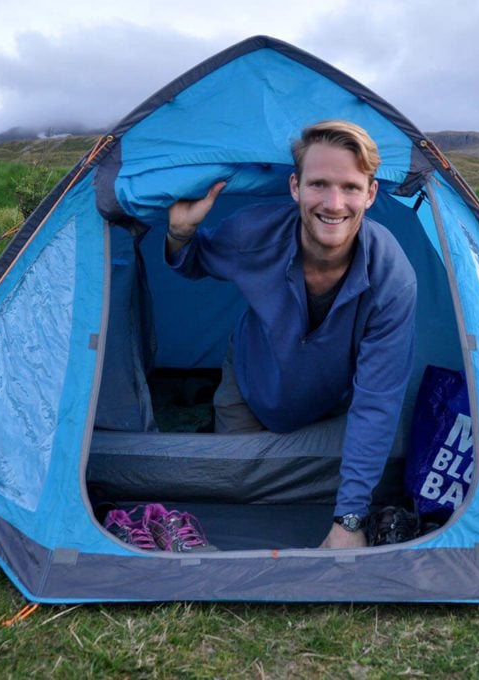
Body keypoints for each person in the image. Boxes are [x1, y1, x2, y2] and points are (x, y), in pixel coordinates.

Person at [166, 120, 417, 549]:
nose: (334, 203)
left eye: (351, 187)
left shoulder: (392, 278)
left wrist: (351, 521)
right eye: (319, 184)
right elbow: (192, 262)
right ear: (295, 187)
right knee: (238, 505)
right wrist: (179, 231)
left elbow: (377, 401)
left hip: (328, 409)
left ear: (371, 194)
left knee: (350, 468)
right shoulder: (253, 234)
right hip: (248, 388)